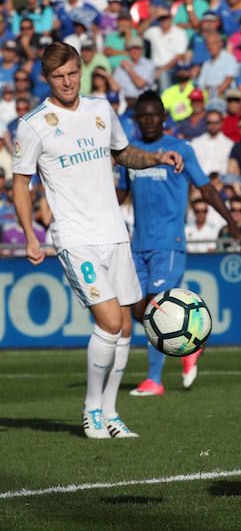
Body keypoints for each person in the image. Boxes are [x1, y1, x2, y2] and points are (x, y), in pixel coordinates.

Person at [10, 42, 183, 438]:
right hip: (75, 237)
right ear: (46, 79)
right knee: (107, 321)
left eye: (73, 73)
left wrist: (157, 157)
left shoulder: (101, 110)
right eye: (58, 76)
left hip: (114, 234)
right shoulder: (33, 124)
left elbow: (123, 154)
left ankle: (111, 414)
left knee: (125, 326)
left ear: (81, 69)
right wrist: (30, 236)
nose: (68, 81)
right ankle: (91, 410)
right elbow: (20, 185)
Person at [117, 90, 241, 396]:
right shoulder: (130, 155)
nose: (148, 120)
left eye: (153, 115)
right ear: (137, 119)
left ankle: (154, 380)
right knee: (137, 312)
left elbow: (207, 188)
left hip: (169, 243)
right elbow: (120, 196)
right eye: (143, 115)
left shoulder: (180, 149)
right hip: (138, 245)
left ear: (163, 117)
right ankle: (190, 348)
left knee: (153, 310)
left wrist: (232, 223)